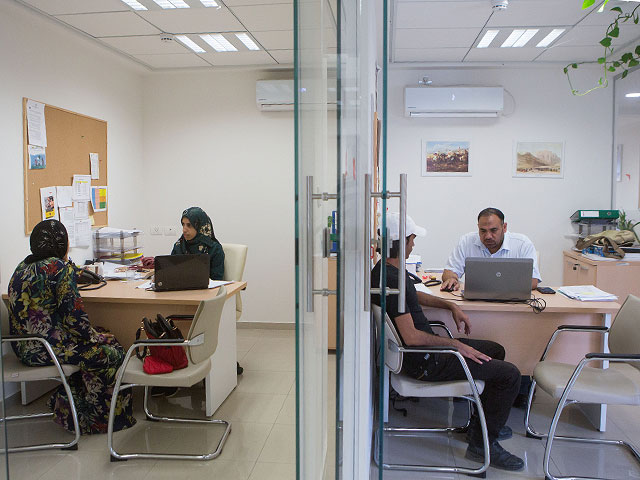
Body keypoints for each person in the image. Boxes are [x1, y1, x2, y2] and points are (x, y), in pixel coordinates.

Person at [371, 213, 524, 471]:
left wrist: (449, 305)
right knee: (510, 375)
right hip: (424, 361)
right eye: (412, 239)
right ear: (402, 241)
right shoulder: (392, 280)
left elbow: (413, 295)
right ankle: (481, 445)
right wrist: (455, 345)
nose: (414, 244)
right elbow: (411, 337)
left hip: (425, 353)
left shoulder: (386, 272)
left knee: (495, 350)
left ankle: (482, 426)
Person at [7, 219, 136, 434]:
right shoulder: (59, 269)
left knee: (102, 336)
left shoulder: (22, 267)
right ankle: (98, 420)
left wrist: (96, 334)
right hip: (47, 350)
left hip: (23, 349)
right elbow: (75, 319)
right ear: (62, 244)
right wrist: (96, 338)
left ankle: (67, 404)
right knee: (112, 353)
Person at [441, 207, 541, 292]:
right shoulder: (466, 241)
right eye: (483, 231)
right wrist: (451, 279)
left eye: (493, 230)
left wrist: (500, 289)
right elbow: (449, 271)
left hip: (513, 301)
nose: (488, 236)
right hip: (475, 302)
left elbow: (533, 281)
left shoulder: (522, 244)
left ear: (504, 227)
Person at [171, 206, 224, 281]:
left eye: (189, 225)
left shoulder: (214, 249)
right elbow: (171, 272)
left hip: (206, 288)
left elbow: (217, 280)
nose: (184, 230)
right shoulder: (179, 245)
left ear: (200, 227)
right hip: (180, 287)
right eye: (183, 224)